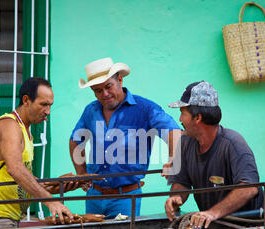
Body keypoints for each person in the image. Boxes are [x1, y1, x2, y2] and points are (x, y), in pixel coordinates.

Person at [69, 57, 181, 218]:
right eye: (98, 91)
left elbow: (173, 131)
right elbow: (75, 140)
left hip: (127, 197)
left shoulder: (145, 108)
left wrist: (173, 159)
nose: (105, 94)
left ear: (120, 79)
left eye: (108, 87)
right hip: (94, 196)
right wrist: (81, 173)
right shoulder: (91, 111)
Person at [0, 77, 78, 229]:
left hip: (8, 218)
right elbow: (16, 169)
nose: (48, 112)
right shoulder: (10, 126)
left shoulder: (25, 131)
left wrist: (59, 185)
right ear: (26, 100)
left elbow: (27, 181)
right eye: (43, 105)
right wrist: (50, 201)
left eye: (50, 105)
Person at [164, 81, 263, 229]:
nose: (180, 120)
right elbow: (181, 182)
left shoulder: (233, 144)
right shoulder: (185, 143)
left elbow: (249, 188)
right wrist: (176, 198)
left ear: (197, 118)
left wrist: (212, 213)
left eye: (183, 113)